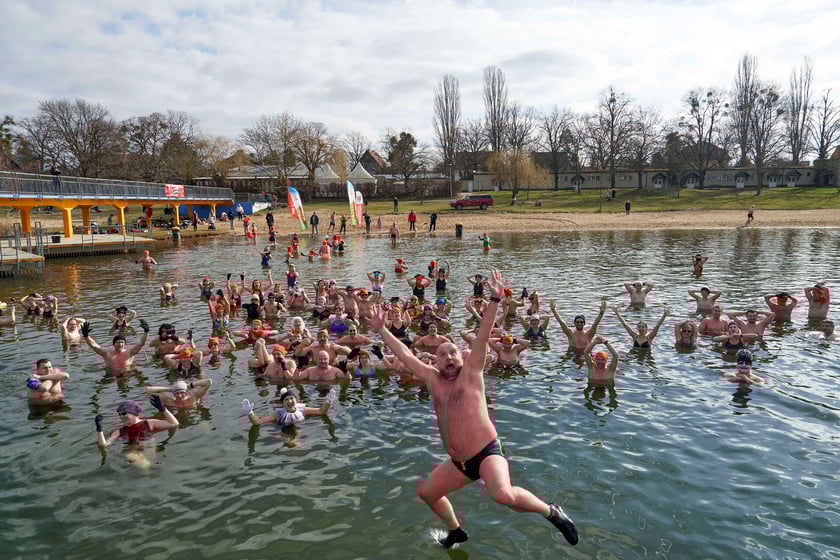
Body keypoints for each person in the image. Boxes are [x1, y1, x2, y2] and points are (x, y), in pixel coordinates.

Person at [369, 270, 577, 548]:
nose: (449, 358)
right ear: (436, 361)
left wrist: (493, 299)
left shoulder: (471, 373)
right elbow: (405, 355)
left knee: (502, 495)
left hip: (487, 452)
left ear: (461, 356)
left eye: (453, 352)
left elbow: (482, 335)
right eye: (442, 355)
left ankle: (551, 512)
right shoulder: (433, 378)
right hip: (460, 463)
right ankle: (455, 531)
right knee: (428, 493)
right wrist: (381, 329)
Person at [95, 397, 179, 450]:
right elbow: (104, 445)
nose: (121, 417)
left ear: (134, 413)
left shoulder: (149, 423)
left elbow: (174, 424)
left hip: (148, 449)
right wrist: (99, 429)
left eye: (124, 413)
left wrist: (163, 409)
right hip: (131, 454)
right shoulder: (120, 431)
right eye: (119, 414)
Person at [81, 319, 150, 374]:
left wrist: (146, 332)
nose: (120, 344)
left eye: (122, 342)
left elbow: (141, 343)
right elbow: (94, 346)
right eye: (118, 342)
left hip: (127, 374)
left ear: (124, 344)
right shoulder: (107, 353)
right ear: (113, 344)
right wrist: (86, 336)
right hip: (110, 375)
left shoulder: (130, 352)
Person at [242, 387, 333, 426]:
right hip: (283, 429)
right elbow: (258, 422)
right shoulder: (278, 414)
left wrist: (328, 402)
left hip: (299, 426)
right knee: (291, 443)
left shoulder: (302, 410)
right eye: (286, 400)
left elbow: (321, 411)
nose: (289, 401)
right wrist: (250, 413)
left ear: (296, 400)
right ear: (283, 404)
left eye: (291, 398)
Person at [146, 379, 213, 409]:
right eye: (176, 393)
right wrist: (170, 389)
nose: (180, 395)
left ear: (186, 393)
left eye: (182, 392)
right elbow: (149, 390)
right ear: (173, 394)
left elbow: (208, 382)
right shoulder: (170, 401)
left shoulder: (193, 398)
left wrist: (188, 386)